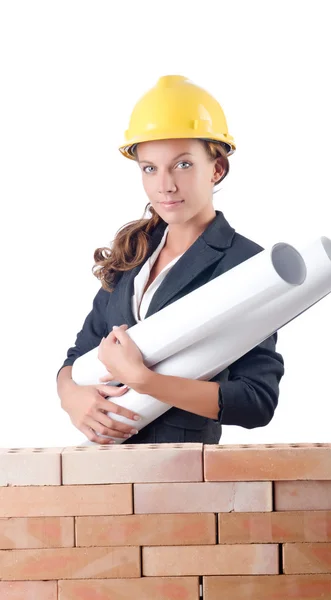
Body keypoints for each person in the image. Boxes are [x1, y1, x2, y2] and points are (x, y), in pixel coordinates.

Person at [56, 74, 285, 446]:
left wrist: (147, 382)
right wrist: (70, 396)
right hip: (103, 465)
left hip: (184, 471)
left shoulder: (247, 266)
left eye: (182, 165)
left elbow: (257, 401)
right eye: (150, 168)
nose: (165, 185)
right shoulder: (133, 251)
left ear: (217, 168)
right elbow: (79, 353)